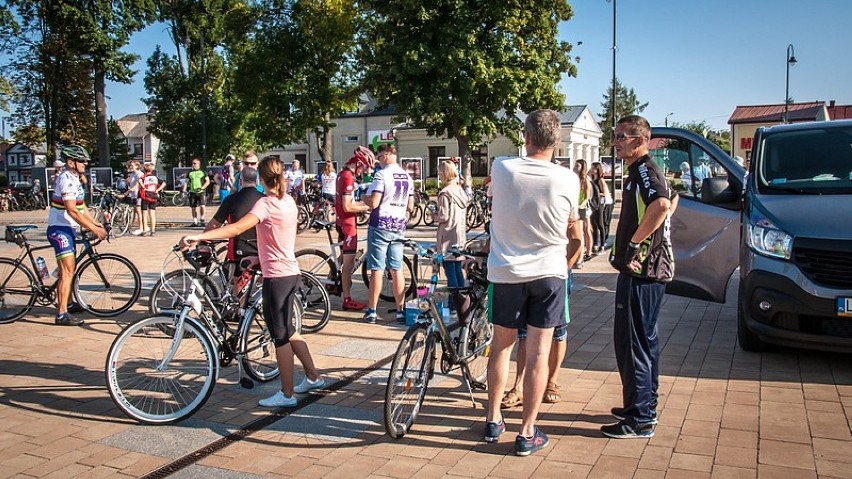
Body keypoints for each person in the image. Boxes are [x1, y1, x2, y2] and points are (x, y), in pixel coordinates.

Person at [180, 156, 325, 408]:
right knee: (289, 330)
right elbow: (280, 238)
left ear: (260, 178)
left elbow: (235, 229)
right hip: (289, 271)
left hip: (277, 277)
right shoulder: (288, 201)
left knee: (279, 335)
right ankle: (313, 377)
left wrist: (198, 237)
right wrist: (258, 258)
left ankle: (287, 394)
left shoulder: (265, 204)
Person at [483, 109, 576, 456]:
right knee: (538, 354)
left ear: (525, 136)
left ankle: (493, 419)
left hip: (506, 272)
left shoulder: (502, 168)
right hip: (550, 273)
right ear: (558, 140)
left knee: (501, 347)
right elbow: (571, 223)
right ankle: (527, 431)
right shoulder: (569, 179)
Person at [604, 114, 678, 439]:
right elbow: (672, 200)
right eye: (615, 136)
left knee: (635, 344)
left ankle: (640, 418)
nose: (616, 142)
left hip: (643, 272)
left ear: (639, 140)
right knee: (642, 342)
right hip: (642, 271)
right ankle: (642, 404)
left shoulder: (646, 170)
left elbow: (662, 204)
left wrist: (635, 244)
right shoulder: (639, 172)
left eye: (621, 137)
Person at [501, 215, 583, 409]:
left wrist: (566, 267)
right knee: (524, 334)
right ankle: (518, 386)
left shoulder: (562, 192)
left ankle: (552, 381)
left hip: (555, 274)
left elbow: (577, 239)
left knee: (558, 330)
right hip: (526, 272)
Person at [47, 145, 107, 326]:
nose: (85, 164)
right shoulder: (66, 178)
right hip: (59, 229)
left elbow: (81, 207)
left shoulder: (75, 178)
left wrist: (94, 222)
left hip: (68, 229)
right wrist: (93, 229)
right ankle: (61, 314)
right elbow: (72, 210)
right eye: (82, 161)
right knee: (67, 271)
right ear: (70, 162)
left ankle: (70, 303)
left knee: (69, 269)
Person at [362, 144, 414, 324]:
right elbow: (411, 206)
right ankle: (400, 310)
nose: (379, 161)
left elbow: (374, 202)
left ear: (385, 155)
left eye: (379, 157)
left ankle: (372, 311)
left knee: (377, 268)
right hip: (399, 225)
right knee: (396, 268)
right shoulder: (407, 176)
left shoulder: (381, 175)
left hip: (380, 224)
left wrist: (363, 196)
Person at [335, 147, 374, 311]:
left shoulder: (341, 174)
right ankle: (347, 298)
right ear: (358, 163)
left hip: (341, 221)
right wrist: (367, 207)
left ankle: (333, 278)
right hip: (348, 224)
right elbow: (347, 205)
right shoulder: (348, 177)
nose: (364, 172)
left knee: (344, 258)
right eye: (364, 167)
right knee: (348, 266)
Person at [206, 165, 264, 272]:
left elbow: (215, 225)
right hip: (262, 249)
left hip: (239, 248)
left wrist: (202, 239)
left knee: (237, 283)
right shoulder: (265, 200)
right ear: (257, 182)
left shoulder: (231, 200)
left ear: (240, 182)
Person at [435, 160, 469, 316]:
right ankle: (463, 303)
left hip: (447, 237)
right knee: (458, 271)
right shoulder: (460, 191)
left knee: (450, 273)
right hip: (460, 237)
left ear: (444, 174)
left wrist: (432, 214)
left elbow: (443, 216)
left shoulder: (445, 193)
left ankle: (453, 305)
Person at [573, 159, 594, 265]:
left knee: (585, 230)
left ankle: (587, 253)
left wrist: (580, 206)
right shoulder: (573, 179)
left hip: (583, 208)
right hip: (575, 207)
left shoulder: (585, 180)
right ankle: (579, 256)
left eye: (577, 166)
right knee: (579, 231)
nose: (574, 168)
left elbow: (587, 197)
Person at [138, 163, 165, 236]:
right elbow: (163, 183)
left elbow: (139, 181)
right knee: (152, 214)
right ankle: (153, 231)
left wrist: (143, 187)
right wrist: (158, 190)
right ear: (152, 170)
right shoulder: (155, 178)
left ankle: (144, 231)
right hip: (153, 196)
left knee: (144, 214)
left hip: (145, 196)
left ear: (144, 170)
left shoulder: (144, 177)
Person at [590, 162, 611, 253]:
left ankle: (602, 245)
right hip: (594, 203)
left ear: (597, 169)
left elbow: (604, 193)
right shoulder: (592, 179)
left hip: (601, 203)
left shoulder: (600, 180)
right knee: (593, 224)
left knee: (600, 224)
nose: (591, 169)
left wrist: (596, 194)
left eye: (593, 168)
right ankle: (595, 244)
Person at [187, 158, 209, 227]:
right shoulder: (190, 173)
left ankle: (202, 218)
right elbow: (186, 181)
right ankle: (195, 221)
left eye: (195, 163)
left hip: (201, 192)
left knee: (202, 206)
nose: (193, 165)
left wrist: (202, 188)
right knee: (193, 207)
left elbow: (207, 181)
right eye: (192, 163)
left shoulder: (203, 172)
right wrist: (184, 189)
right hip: (193, 192)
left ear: (198, 164)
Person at [127, 161, 144, 235]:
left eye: (132, 165)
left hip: (138, 194)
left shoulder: (139, 174)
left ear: (137, 166)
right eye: (130, 165)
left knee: (138, 210)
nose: (130, 167)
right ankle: (134, 225)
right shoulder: (132, 174)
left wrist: (130, 190)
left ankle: (141, 227)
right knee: (135, 210)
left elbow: (138, 185)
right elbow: (130, 183)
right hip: (133, 195)